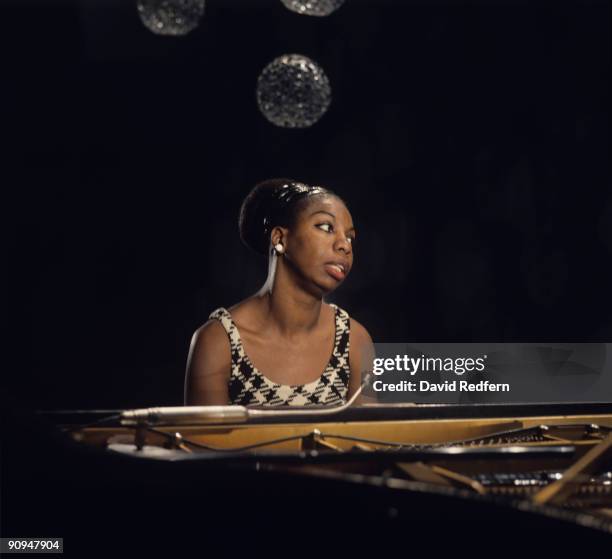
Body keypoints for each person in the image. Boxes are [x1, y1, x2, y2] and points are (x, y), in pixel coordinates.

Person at [184, 178, 375, 406]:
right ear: (280, 238)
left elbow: (368, 440)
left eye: (350, 236)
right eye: (326, 227)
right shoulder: (218, 342)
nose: (345, 245)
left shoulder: (355, 340)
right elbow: (202, 441)